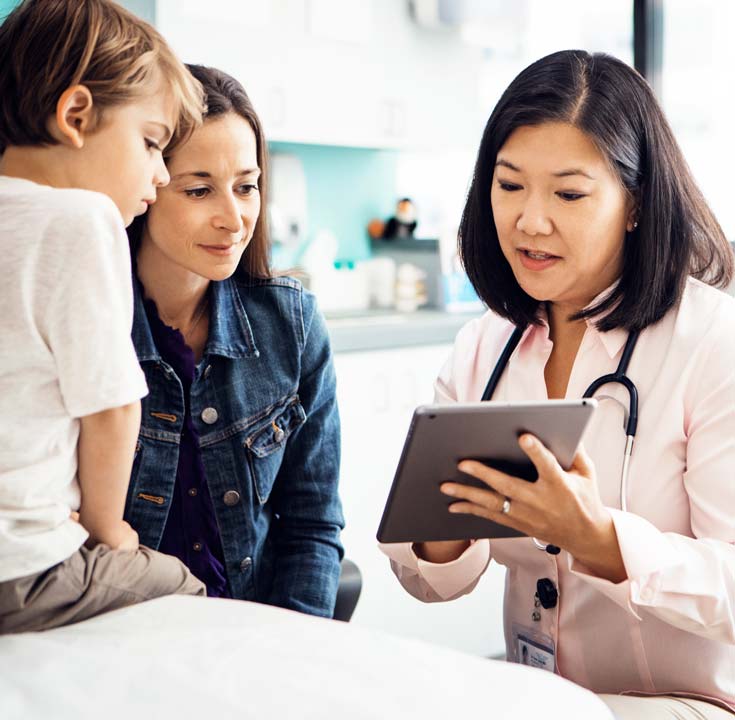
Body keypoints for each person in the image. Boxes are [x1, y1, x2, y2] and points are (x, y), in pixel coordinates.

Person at [381, 50, 735, 719]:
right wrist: (443, 529)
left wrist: (599, 539)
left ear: (634, 205)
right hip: (539, 697)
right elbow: (429, 581)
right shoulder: (487, 346)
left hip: (696, 702)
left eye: (568, 194)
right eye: (508, 185)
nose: (529, 220)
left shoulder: (712, 343)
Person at [0, 0, 208, 634]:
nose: (161, 173)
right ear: (76, 115)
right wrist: (106, 529)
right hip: (24, 570)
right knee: (183, 587)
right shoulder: (81, 219)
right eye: (150, 143)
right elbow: (112, 407)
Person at [124, 64, 344, 617]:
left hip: (254, 637)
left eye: (247, 187)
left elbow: (312, 524)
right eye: (199, 190)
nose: (234, 218)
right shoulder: (89, 322)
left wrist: (291, 647)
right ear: (146, 184)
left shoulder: (291, 325)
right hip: (121, 637)